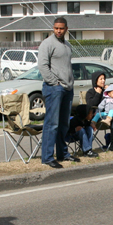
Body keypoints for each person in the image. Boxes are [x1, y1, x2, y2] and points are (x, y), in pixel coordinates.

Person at [38, 17, 75, 168]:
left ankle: (63, 153)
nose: (58, 31)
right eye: (56, 28)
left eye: (61, 28)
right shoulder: (47, 43)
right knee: (51, 124)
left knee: (64, 123)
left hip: (68, 88)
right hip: (54, 88)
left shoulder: (67, 45)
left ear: (66, 28)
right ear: (53, 28)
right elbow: (42, 65)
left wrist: (70, 83)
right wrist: (55, 83)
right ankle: (47, 157)